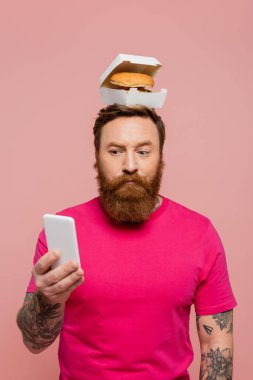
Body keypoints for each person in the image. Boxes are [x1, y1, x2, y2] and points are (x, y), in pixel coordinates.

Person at [16, 104, 237, 380]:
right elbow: (34, 342)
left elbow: (216, 348)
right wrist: (47, 300)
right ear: (97, 158)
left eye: (143, 152)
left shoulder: (200, 234)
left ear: (160, 158)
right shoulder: (60, 233)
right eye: (115, 151)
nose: (130, 165)